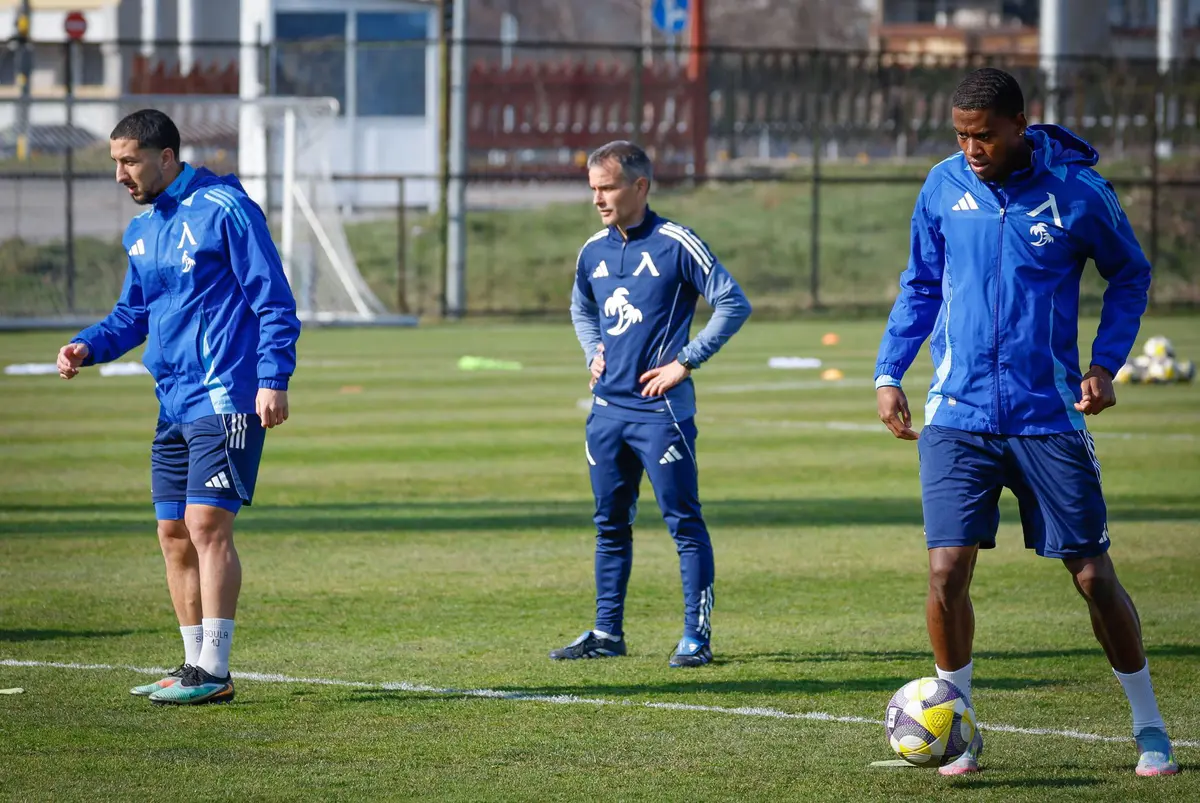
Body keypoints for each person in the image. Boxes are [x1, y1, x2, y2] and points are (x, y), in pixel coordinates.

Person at [874, 68, 1177, 776]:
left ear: (1019, 124)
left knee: (1093, 576)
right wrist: (889, 371)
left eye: (983, 135)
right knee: (946, 570)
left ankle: (1150, 725)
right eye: (960, 136)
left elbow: (1130, 273)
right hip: (959, 415)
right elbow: (920, 284)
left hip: (1048, 416)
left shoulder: (1078, 191)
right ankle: (960, 726)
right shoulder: (943, 185)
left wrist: (1104, 363)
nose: (971, 149)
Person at [56, 109, 300, 705]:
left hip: (226, 394)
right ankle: (193, 666)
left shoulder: (226, 209)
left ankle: (215, 671)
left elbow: (273, 298)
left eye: (130, 161)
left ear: (166, 157)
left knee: (206, 525)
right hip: (173, 402)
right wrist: (88, 345)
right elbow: (133, 314)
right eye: (115, 162)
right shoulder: (142, 230)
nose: (120, 174)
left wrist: (273, 377)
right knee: (172, 533)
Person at [556, 141, 751, 668]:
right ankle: (606, 632)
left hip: (660, 415)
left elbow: (732, 303)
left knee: (683, 523)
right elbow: (581, 307)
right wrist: (593, 350)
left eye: (607, 188)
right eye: (593, 189)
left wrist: (685, 362)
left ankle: (696, 638)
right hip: (606, 413)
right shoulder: (592, 251)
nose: (597, 199)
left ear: (640, 186)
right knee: (609, 524)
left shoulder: (676, 244)